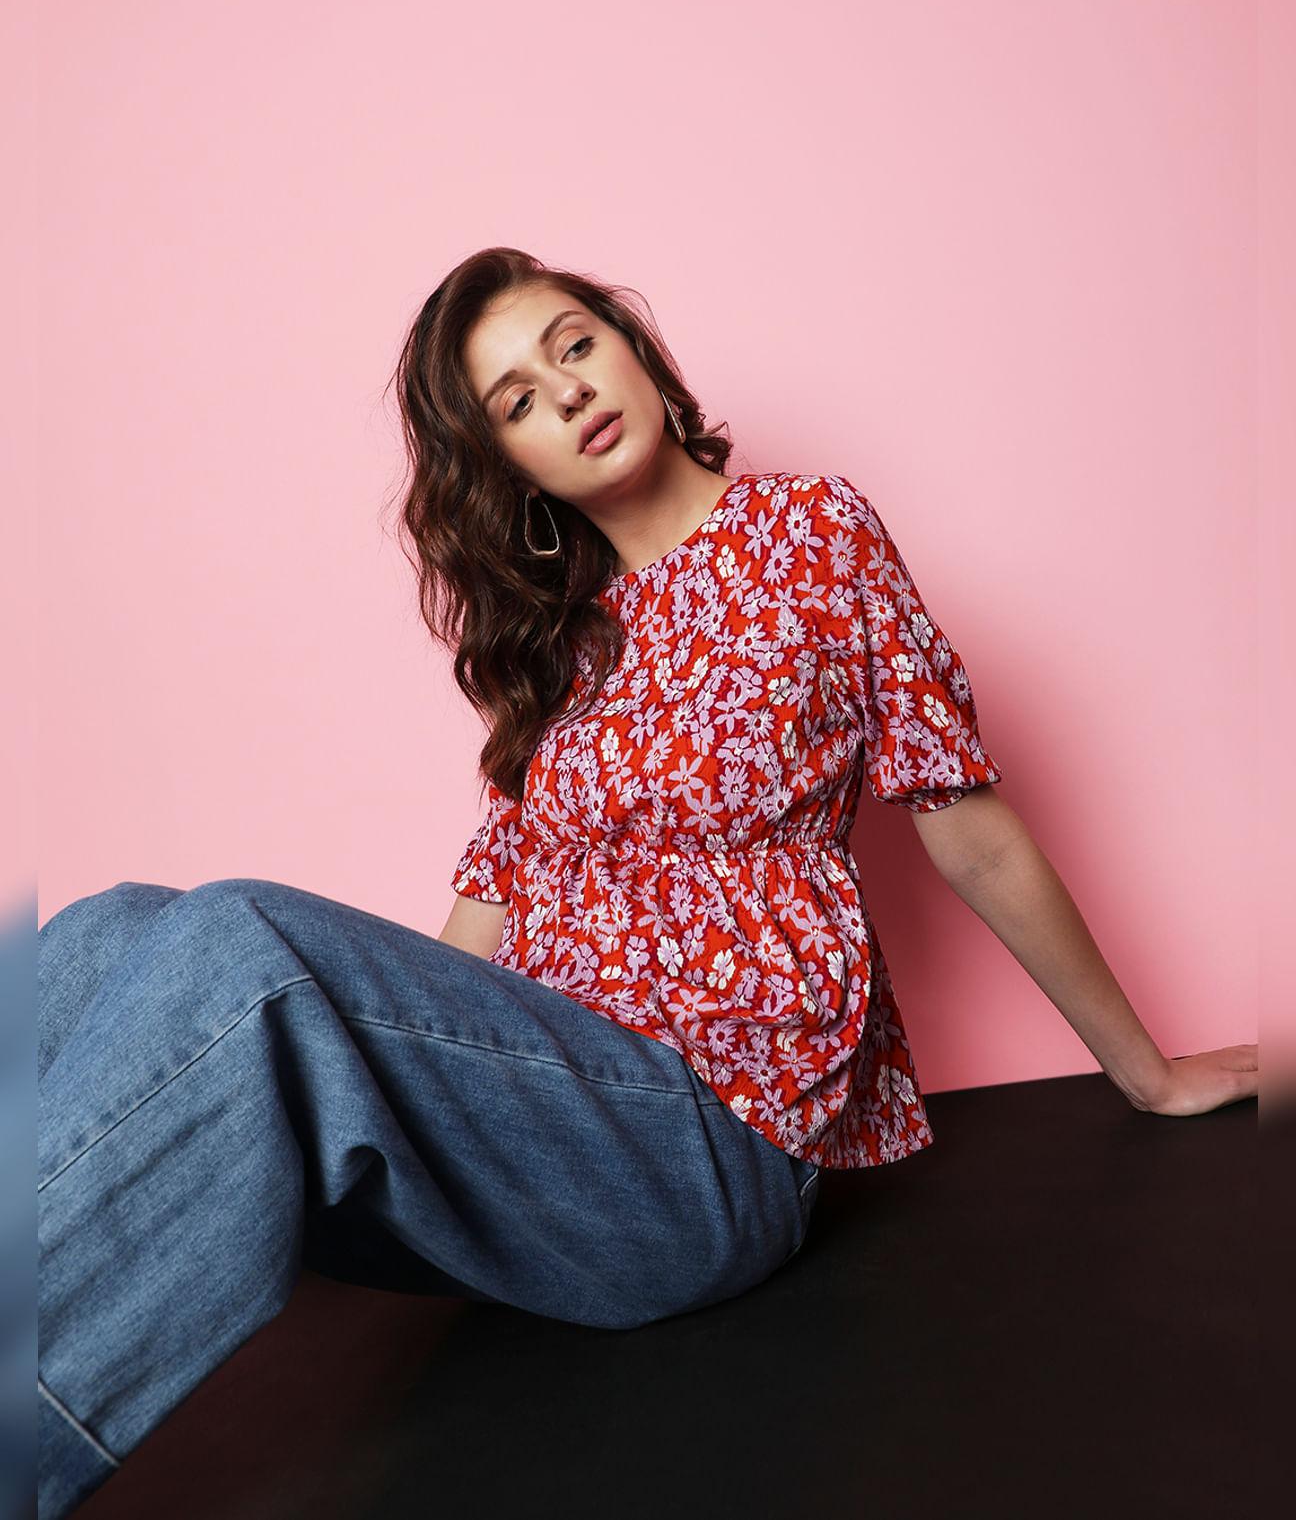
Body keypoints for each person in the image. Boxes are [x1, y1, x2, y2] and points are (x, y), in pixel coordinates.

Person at [36, 246, 1259, 1519]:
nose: (562, 394)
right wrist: (392, 1062)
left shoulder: (812, 533)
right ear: (511, 469)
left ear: (636, 352)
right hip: (544, 1127)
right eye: (514, 402)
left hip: (699, 1149)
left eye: (571, 346)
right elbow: (489, 910)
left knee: (240, 941)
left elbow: (971, 827)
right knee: (106, 929)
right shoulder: (562, 641)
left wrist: (1148, 1070)